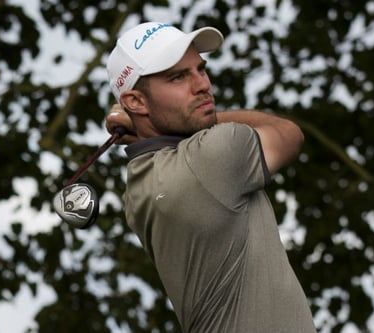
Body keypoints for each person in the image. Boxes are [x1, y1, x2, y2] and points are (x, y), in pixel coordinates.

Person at [104, 22, 316, 332]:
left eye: (200, 70)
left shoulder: (139, 186)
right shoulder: (217, 154)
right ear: (135, 101)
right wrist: (210, 117)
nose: (202, 85)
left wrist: (139, 124)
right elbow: (288, 132)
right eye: (177, 77)